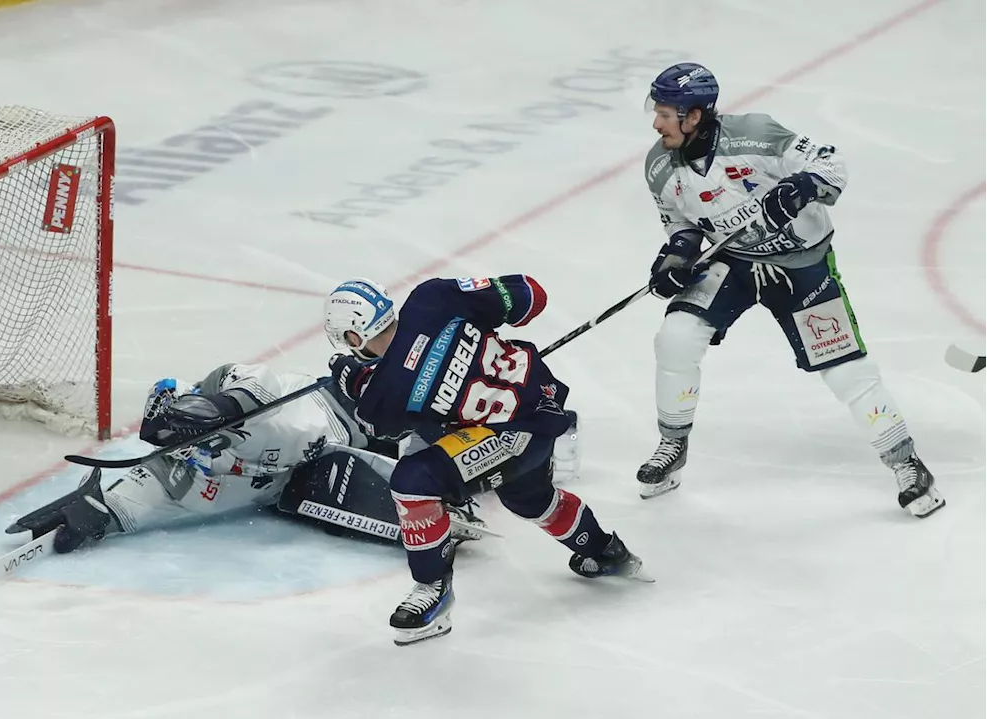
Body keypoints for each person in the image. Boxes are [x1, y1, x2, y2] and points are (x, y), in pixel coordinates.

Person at [638, 62, 943, 517]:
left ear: (695, 115)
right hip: (734, 265)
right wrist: (677, 259)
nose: (656, 122)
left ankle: (907, 462)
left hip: (800, 267)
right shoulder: (659, 165)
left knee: (843, 369)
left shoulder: (755, 133)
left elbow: (830, 162)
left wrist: (803, 184)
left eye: (665, 112)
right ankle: (672, 444)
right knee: (676, 338)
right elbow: (680, 223)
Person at [323, 276, 647, 647]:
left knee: (412, 481)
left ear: (353, 337)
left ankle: (433, 591)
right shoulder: (433, 297)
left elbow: (382, 422)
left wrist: (352, 377)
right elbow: (531, 295)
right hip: (540, 409)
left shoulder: (381, 392)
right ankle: (605, 551)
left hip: (510, 437)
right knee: (528, 498)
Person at [5, 362, 492, 551]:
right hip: (334, 460)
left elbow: (243, 391)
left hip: (351, 406)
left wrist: (209, 409)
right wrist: (106, 510)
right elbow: (157, 489)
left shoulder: (257, 388)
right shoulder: (194, 475)